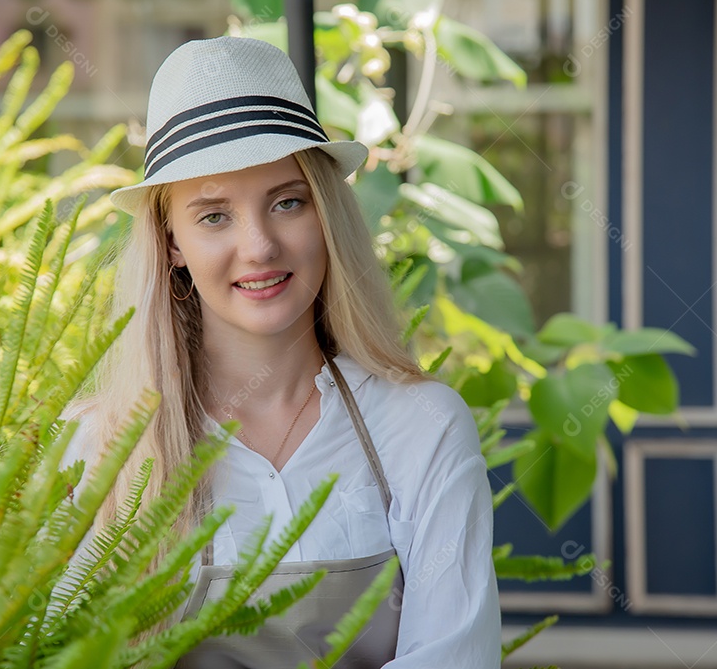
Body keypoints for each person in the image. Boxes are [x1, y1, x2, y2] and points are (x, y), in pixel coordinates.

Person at [59, 36, 501, 668]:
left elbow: (455, 659)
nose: (260, 247)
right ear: (171, 243)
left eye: (287, 202)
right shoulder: (96, 450)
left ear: (326, 215)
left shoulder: (421, 427)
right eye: (214, 216)